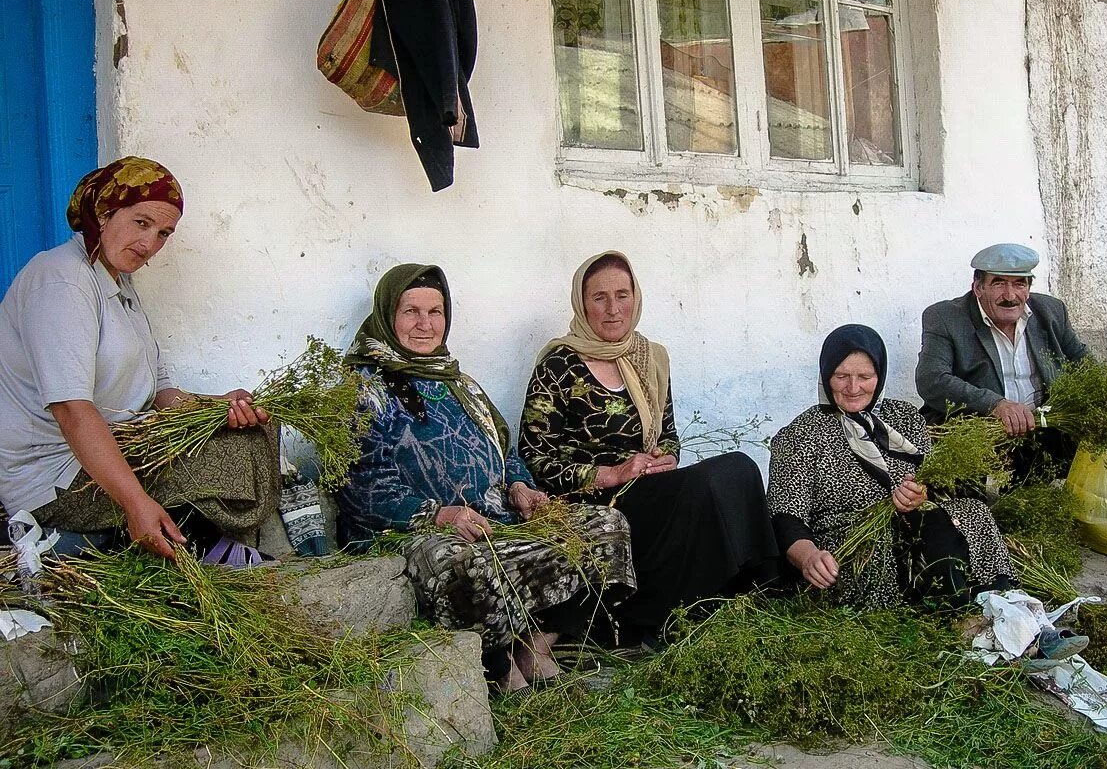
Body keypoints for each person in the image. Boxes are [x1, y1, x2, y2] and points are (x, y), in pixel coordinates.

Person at [336, 263, 635, 693]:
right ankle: (497, 664)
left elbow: (504, 450)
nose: (425, 324)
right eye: (411, 312)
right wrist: (440, 514)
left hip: (494, 517)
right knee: (465, 564)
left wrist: (518, 486)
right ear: (388, 315)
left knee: (605, 527)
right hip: (414, 530)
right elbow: (362, 490)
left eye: (435, 312)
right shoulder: (363, 391)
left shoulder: (460, 383)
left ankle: (537, 644)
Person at [0, 156, 279, 561]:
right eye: (141, 222)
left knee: (252, 432)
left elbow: (159, 388)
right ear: (104, 212)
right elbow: (71, 408)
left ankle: (182, 541)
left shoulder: (117, 281)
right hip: (55, 475)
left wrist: (216, 408)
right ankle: (154, 540)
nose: (150, 244)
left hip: (114, 443)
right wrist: (134, 503)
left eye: (164, 233)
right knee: (223, 459)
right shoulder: (62, 280)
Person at [519, 251, 777, 643]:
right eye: (599, 298)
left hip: (645, 488)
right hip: (594, 501)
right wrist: (613, 474)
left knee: (739, 468)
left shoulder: (648, 356)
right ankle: (666, 617)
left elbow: (667, 431)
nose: (612, 309)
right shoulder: (558, 364)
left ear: (635, 298)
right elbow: (534, 458)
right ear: (581, 303)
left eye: (622, 295)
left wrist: (666, 455)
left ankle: (754, 593)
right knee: (703, 488)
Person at [769, 324, 1015, 610]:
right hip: (850, 545)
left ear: (880, 375)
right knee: (917, 528)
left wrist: (922, 494)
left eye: (865, 376)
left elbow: (937, 482)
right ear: (826, 376)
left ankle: (1002, 601)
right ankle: (957, 614)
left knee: (970, 512)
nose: (853, 388)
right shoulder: (802, 433)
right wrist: (810, 557)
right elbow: (786, 516)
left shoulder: (905, 417)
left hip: (914, 523)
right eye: (841, 376)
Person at [915, 243, 1089, 476]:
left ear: (1028, 288)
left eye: (1019, 283)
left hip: (1043, 430)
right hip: (977, 434)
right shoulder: (945, 317)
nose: (1010, 296)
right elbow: (931, 379)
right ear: (978, 287)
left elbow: (1082, 362)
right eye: (998, 283)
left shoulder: (1051, 311)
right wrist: (995, 405)